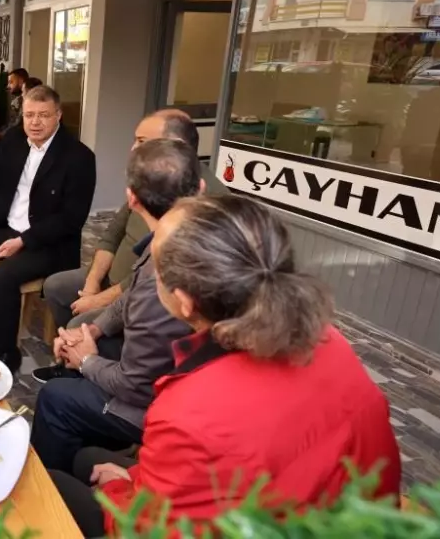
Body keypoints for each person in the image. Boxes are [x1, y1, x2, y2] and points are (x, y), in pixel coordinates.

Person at [52, 196, 401, 538]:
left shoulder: (187, 409)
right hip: (334, 514)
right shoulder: (330, 341)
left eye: (156, 267)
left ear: (185, 302)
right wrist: (140, 480)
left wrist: (119, 490)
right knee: (87, 460)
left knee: (58, 484)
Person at [30, 139, 201, 475]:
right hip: (170, 376)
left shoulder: (168, 272)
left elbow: (135, 387)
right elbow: (128, 296)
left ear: (132, 199)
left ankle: (56, 497)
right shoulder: (181, 237)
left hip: (165, 407)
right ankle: (87, 441)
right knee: (85, 351)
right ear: (200, 188)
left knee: (55, 398)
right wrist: (92, 329)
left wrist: (87, 361)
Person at [36, 109, 229, 384]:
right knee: (56, 286)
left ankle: (88, 372)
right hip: (122, 284)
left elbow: (148, 282)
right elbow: (112, 234)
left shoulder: (207, 205)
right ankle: (72, 362)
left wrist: (98, 302)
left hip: (145, 299)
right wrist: (92, 282)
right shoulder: (150, 182)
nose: (133, 148)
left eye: (141, 141)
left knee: (79, 325)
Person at [0, 85, 96, 370]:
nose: (35, 122)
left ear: (58, 116)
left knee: (5, 276)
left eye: (43, 115)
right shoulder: (14, 140)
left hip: (49, 242)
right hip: (6, 226)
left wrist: (25, 240)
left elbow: (71, 219)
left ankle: (2, 356)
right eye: (29, 115)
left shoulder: (79, 157)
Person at [4, 67, 29, 133]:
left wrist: (0, 135)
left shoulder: (27, 102)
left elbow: (16, 125)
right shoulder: (16, 100)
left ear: (21, 81)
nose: (8, 86)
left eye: (11, 82)